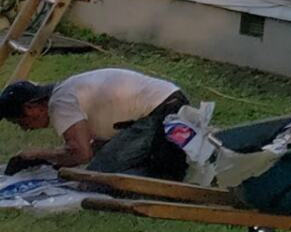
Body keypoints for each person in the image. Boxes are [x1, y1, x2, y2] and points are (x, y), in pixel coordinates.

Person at [0, 67, 186, 177]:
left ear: (30, 108)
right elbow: (90, 147)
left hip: (161, 113)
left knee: (97, 178)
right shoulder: (66, 90)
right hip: (170, 103)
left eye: (20, 122)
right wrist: (51, 159)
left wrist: (37, 155)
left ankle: (161, 180)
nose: (24, 129)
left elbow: (81, 153)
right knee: (100, 162)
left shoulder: (59, 102)